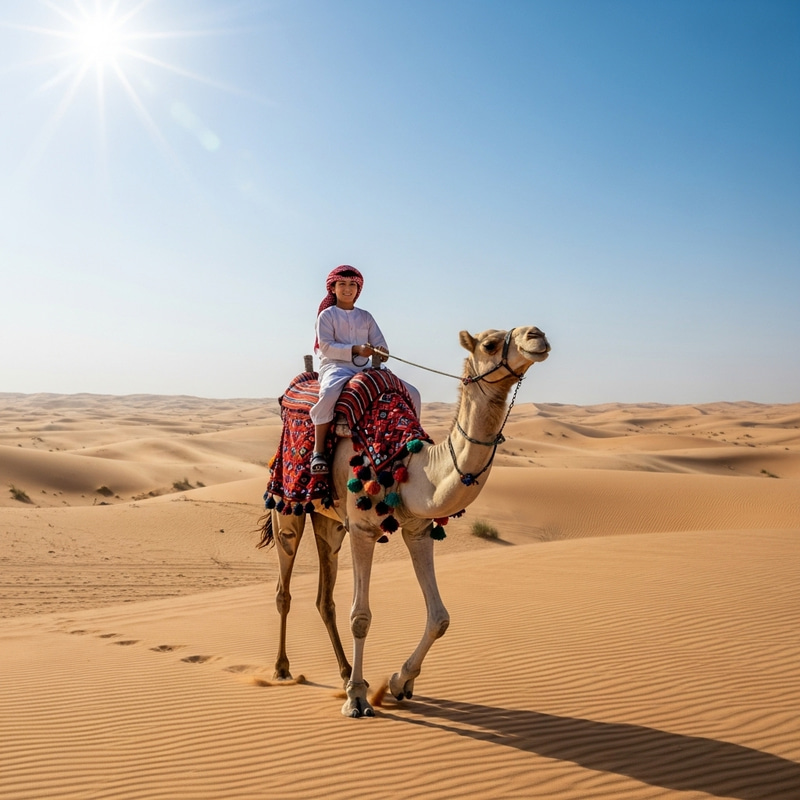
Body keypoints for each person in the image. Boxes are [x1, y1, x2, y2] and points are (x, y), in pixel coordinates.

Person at [309, 265, 420, 474]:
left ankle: (414, 442)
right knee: (329, 392)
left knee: (412, 392)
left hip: (367, 367)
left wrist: (380, 351)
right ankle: (319, 451)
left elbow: (382, 346)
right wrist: (356, 349)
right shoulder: (326, 315)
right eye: (342, 284)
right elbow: (326, 347)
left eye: (352, 284)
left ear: (358, 289)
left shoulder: (366, 316)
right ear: (333, 288)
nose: (347, 289)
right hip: (336, 366)